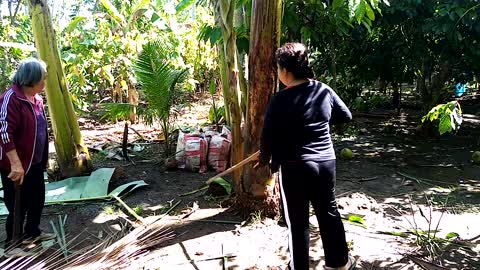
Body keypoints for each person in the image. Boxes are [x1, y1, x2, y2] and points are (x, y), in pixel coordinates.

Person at [256, 43, 355, 270]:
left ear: (285, 71)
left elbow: (267, 136)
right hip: (325, 163)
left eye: (279, 68)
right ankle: (338, 263)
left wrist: (263, 159)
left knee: (298, 222)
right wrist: (318, 122)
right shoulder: (323, 90)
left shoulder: (280, 99)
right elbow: (345, 115)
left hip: (295, 166)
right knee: (329, 212)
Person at [0, 58, 55, 251]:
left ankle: (33, 233)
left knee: (37, 199)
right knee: (18, 205)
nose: (44, 82)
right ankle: (13, 243)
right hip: (17, 165)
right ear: (32, 79)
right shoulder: (11, 98)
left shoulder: (37, 99)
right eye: (43, 78)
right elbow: (4, 132)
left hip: (35, 163)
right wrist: (15, 164)